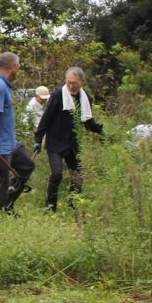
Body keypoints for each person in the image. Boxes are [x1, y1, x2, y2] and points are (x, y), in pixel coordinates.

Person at [34, 67, 104, 212]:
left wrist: (101, 131)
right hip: (55, 141)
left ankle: (74, 205)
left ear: (82, 82)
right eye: (68, 83)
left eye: (74, 83)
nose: (71, 86)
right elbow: (45, 120)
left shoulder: (85, 99)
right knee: (57, 173)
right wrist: (38, 140)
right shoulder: (57, 96)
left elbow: (87, 122)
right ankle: (50, 205)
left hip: (72, 143)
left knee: (77, 176)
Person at [0, 52, 35, 214]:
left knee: (27, 166)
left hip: (9, 143)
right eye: (18, 67)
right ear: (13, 67)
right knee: (0, 182)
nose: (18, 71)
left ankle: (7, 203)